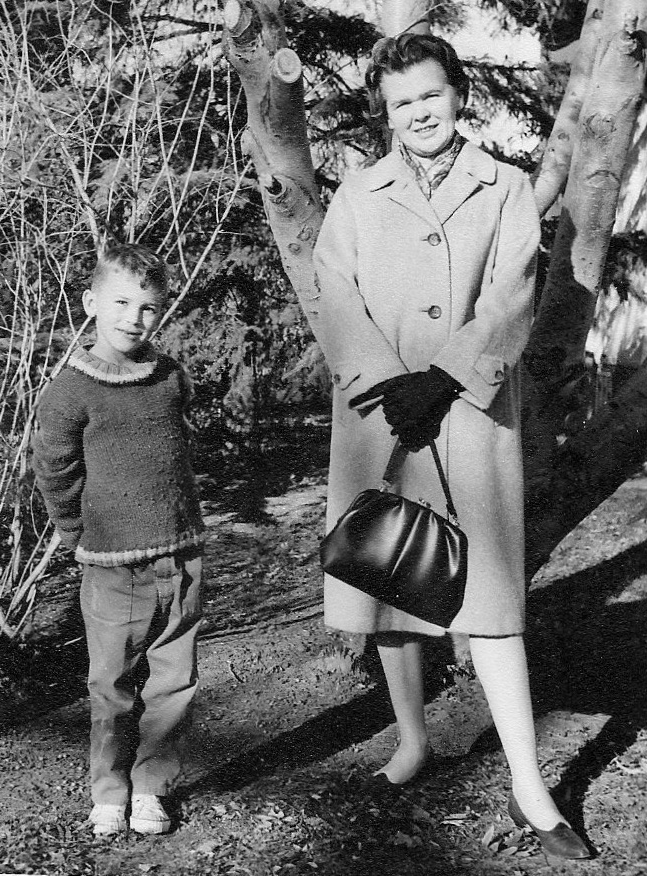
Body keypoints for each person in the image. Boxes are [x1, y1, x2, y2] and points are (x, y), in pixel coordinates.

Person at [310, 33, 591, 860]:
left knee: (491, 600)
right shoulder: (357, 192)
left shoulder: (504, 188)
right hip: (381, 417)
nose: (418, 114)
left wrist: (446, 376)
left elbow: (514, 290)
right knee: (389, 573)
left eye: (430, 96)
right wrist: (385, 379)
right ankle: (412, 740)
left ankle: (528, 786)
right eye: (401, 103)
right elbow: (333, 289)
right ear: (384, 112)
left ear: (458, 93)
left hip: (466, 413)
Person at [32, 243, 205, 837]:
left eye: (149, 307)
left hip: (179, 554)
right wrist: (78, 532)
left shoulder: (170, 376)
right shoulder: (70, 391)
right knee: (111, 685)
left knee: (174, 681)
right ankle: (109, 790)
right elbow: (55, 469)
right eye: (121, 303)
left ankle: (153, 786)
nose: (134, 318)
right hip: (110, 564)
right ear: (91, 304)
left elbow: (179, 446)